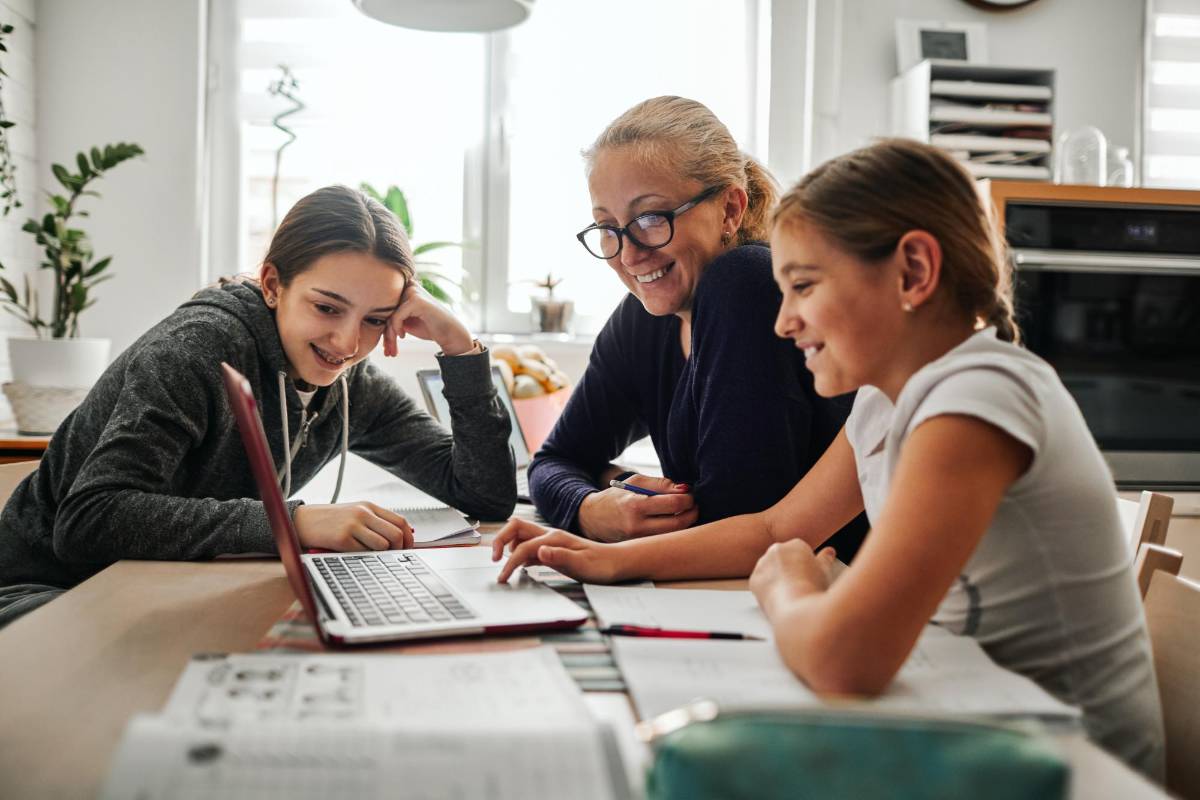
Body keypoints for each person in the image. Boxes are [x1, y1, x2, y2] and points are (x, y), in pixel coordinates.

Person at [494, 139, 1165, 779]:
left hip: (1073, 767)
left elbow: (844, 659)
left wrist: (788, 586)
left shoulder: (976, 399)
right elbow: (775, 527)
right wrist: (607, 558)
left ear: (914, 271)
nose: (783, 322)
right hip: (982, 722)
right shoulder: (887, 399)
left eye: (804, 286)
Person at [0, 185, 515, 628]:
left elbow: (485, 494)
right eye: (326, 307)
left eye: (375, 320)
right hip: (48, 591)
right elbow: (88, 522)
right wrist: (294, 523)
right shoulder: (193, 351)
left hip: (161, 585)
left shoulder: (352, 383)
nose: (347, 342)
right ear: (272, 285)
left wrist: (460, 348)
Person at [530, 96, 867, 555]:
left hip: (822, 582)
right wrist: (590, 507)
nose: (629, 255)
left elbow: (734, 517)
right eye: (608, 228)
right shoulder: (644, 318)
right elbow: (554, 461)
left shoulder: (746, 283)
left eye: (651, 218)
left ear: (730, 209)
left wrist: (611, 496)